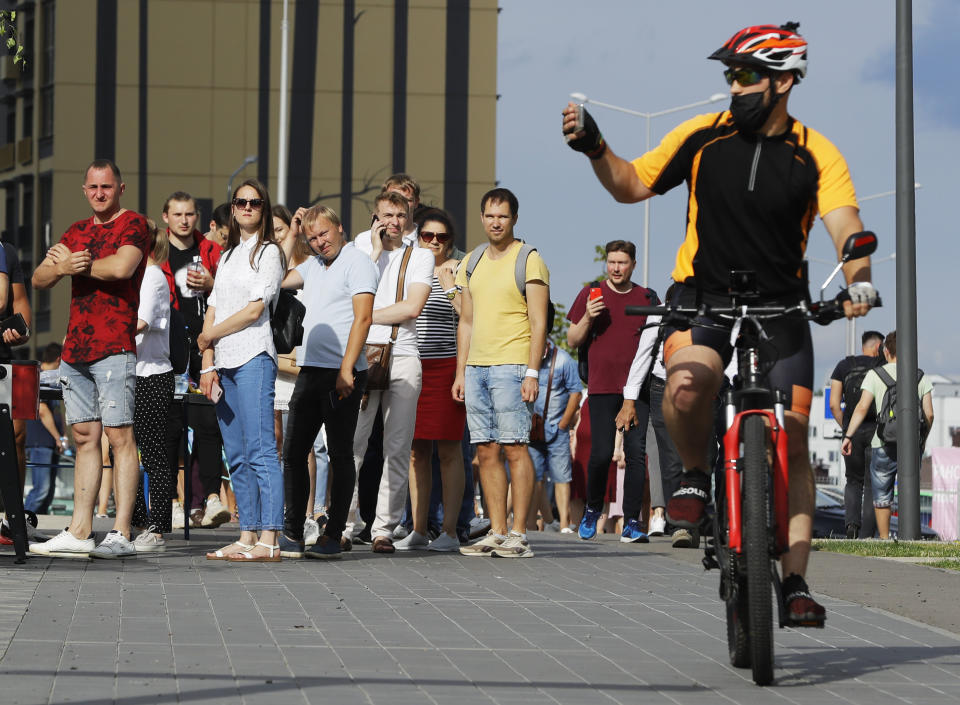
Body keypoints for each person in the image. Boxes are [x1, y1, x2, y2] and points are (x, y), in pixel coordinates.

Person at [562, 23, 877, 623]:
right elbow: (631, 184)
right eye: (728, 75)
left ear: (782, 82)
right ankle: (695, 478)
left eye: (744, 75)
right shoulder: (703, 137)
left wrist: (858, 278)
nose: (732, 87)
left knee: (793, 435)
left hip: (781, 305)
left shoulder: (816, 153)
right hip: (702, 296)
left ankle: (796, 581)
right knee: (685, 383)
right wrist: (597, 148)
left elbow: (845, 227)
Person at [29, 159, 150, 559]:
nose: (100, 193)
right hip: (75, 349)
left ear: (121, 188)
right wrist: (62, 266)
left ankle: (120, 532)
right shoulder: (76, 231)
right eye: (93, 188)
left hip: (114, 345)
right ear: (85, 190)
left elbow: (122, 266)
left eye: (107, 187)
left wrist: (74, 265)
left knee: (120, 437)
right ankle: (80, 531)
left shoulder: (133, 223)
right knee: (84, 437)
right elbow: (39, 278)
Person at [453, 187, 550, 558]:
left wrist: (532, 372)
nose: (496, 222)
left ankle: (519, 534)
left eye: (503, 216)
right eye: (490, 215)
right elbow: (466, 321)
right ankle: (496, 530)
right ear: (481, 218)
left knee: (515, 447)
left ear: (514, 219)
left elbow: (540, 321)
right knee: (486, 450)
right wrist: (461, 372)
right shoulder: (472, 261)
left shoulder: (529, 259)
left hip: (512, 365)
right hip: (476, 367)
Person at [278, 204, 377, 559]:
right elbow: (276, 279)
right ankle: (291, 531)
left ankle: (333, 534)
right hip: (310, 369)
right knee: (293, 452)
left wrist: (347, 368)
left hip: (342, 372)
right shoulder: (313, 266)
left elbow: (363, 318)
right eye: (312, 237)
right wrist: (291, 234)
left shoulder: (358, 262)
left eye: (324, 234)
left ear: (339, 228)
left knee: (339, 453)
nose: (320, 242)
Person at [198, 179, 285, 562]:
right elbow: (213, 306)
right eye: (240, 202)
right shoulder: (229, 254)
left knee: (261, 449)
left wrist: (208, 335)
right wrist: (208, 359)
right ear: (232, 209)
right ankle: (246, 533)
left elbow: (254, 310)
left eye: (255, 202)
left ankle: (270, 537)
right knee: (235, 453)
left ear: (264, 209)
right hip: (224, 360)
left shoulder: (269, 252)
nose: (247, 207)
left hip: (253, 356)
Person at [351, 191, 433, 554]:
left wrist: (365, 318)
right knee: (351, 442)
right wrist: (373, 250)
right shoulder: (358, 247)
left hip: (402, 352)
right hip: (360, 353)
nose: (393, 222)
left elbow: (412, 307)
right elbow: (347, 292)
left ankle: (384, 527)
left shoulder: (421, 256)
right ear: (375, 215)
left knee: (397, 446)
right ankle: (346, 522)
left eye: (400, 215)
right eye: (387, 215)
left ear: (409, 216)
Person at [566, 241, 658, 543]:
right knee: (601, 453)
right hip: (601, 387)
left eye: (622, 262)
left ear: (633, 264)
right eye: (611, 262)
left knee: (635, 455)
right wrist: (589, 316)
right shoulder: (591, 293)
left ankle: (632, 521)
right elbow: (572, 340)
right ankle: (592, 510)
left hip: (637, 390)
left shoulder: (646, 297)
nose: (616, 268)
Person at [394, 208, 466, 552]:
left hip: (447, 367)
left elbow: (469, 318)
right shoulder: (409, 268)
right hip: (412, 365)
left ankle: (450, 531)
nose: (435, 242)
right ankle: (419, 528)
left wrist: (452, 287)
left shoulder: (458, 270)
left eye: (442, 237)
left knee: (450, 451)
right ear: (418, 237)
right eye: (428, 236)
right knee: (415, 451)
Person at [160, 191, 229, 530]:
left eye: (189, 214)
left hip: (205, 344)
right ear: (166, 217)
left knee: (207, 423)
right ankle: (172, 501)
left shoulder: (212, 251)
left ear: (197, 217)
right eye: (177, 214)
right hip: (167, 345)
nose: (184, 220)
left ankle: (211, 498)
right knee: (170, 426)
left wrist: (212, 283)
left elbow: (232, 293)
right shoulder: (155, 251)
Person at [842, 331, 933, 540]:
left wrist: (848, 436)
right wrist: (922, 438)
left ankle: (883, 538)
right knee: (909, 487)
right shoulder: (919, 376)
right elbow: (929, 413)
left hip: (882, 441)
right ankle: (909, 536)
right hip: (911, 443)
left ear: (886, 351)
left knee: (882, 492)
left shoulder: (875, 375)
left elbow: (861, 408)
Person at [130, 220, 176, 552]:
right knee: (125, 451)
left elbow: (140, 322)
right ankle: (133, 521)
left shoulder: (152, 275)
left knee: (153, 453)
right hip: (129, 372)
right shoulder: (134, 275)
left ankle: (157, 526)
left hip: (152, 375)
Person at [830, 330, 884, 538]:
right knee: (872, 483)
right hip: (876, 430)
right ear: (878, 347)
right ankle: (868, 535)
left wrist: (847, 428)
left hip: (852, 433)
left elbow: (834, 404)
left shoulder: (843, 366)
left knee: (853, 480)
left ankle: (851, 526)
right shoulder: (881, 367)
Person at [527, 338, 582, 532]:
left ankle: (565, 525)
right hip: (532, 430)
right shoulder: (524, 355)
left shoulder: (564, 360)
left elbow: (576, 393)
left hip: (556, 428)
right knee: (533, 478)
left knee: (562, 477)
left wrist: (563, 423)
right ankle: (531, 525)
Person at [23, 343, 68, 516]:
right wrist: (58, 436)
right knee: (41, 489)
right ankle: (23, 522)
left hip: (51, 441)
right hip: (40, 441)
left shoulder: (56, 380)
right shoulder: (40, 377)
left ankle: (35, 522)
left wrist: (62, 436)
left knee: (48, 492)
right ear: (59, 359)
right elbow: (42, 411)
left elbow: (57, 411)